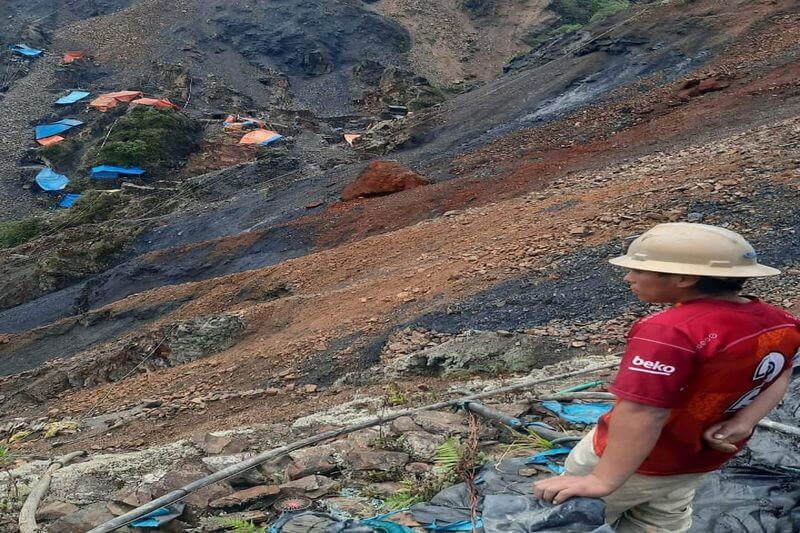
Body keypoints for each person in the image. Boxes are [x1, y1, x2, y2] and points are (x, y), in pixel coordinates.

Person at [533, 222, 800, 532]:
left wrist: (602, 479)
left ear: (685, 278)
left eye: (639, 269)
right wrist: (745, 421)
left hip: (638, 464)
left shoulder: (670, 331)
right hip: (695, 462)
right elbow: (783, 371)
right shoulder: (780, 322)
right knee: (662, 519)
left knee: (568, 521)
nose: (628, 277)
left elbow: (643, 412)